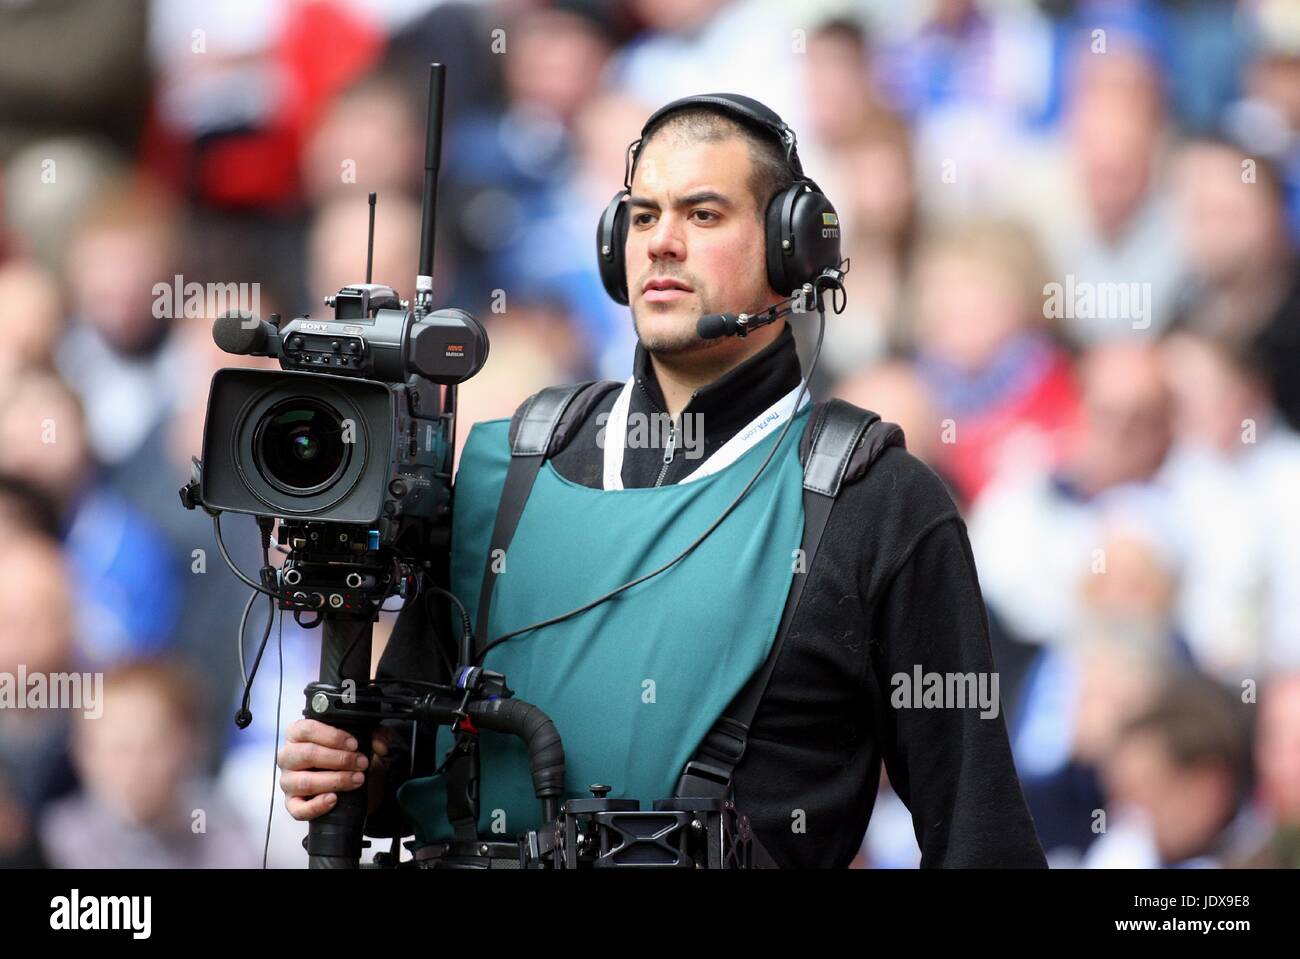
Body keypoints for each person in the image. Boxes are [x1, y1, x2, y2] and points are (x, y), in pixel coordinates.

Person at [276, 94, 1046, 868]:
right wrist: (359, 771)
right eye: (642, 217)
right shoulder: (498, 472)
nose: (663, 243)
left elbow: (979, 833)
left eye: (703, 215)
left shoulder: (879, 502)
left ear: (793, 251)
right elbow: (405, 749)